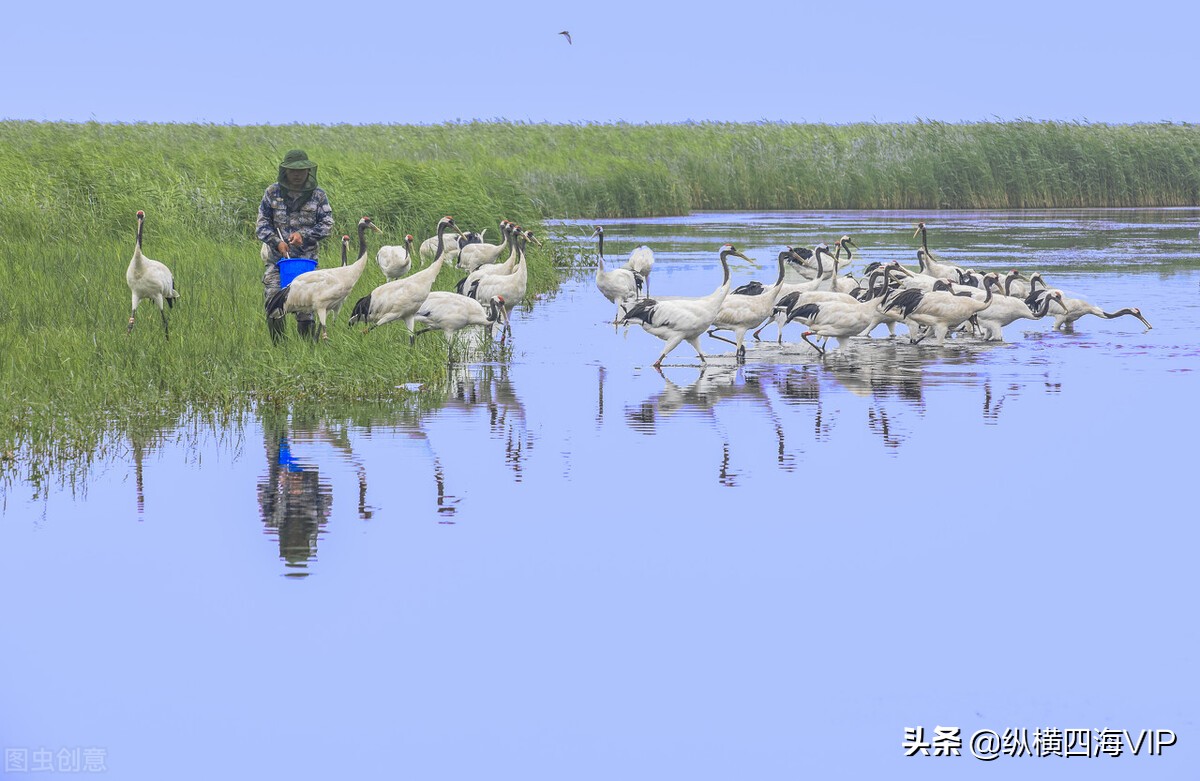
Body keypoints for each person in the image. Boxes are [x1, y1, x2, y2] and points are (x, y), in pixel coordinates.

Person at [256, 150, 335, 341]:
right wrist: (277, 243)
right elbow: (261, 225)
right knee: (274, 300)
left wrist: (304, 236)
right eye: (293, 171)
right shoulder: (272, 193)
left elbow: (327, 224)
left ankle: (306, 349)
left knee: (306, 306)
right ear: (285, 171)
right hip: (278, 262)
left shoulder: (318, 195)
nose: (297, 174)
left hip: (306, 263)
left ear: (309, 171)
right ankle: (279, 348)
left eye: (302, 170)